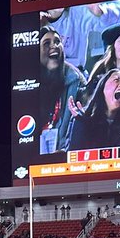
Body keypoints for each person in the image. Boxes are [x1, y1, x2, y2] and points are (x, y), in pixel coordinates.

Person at [38, 26, 86, 154]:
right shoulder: (27, 81)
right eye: (47, 43)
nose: (54, 46)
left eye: (57, 41)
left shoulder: (76, 79)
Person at [68, 69, 120, 151]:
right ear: (102, 87)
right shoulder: (82, 119)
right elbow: (74, 157)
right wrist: (81, 123)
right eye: (116, 80)